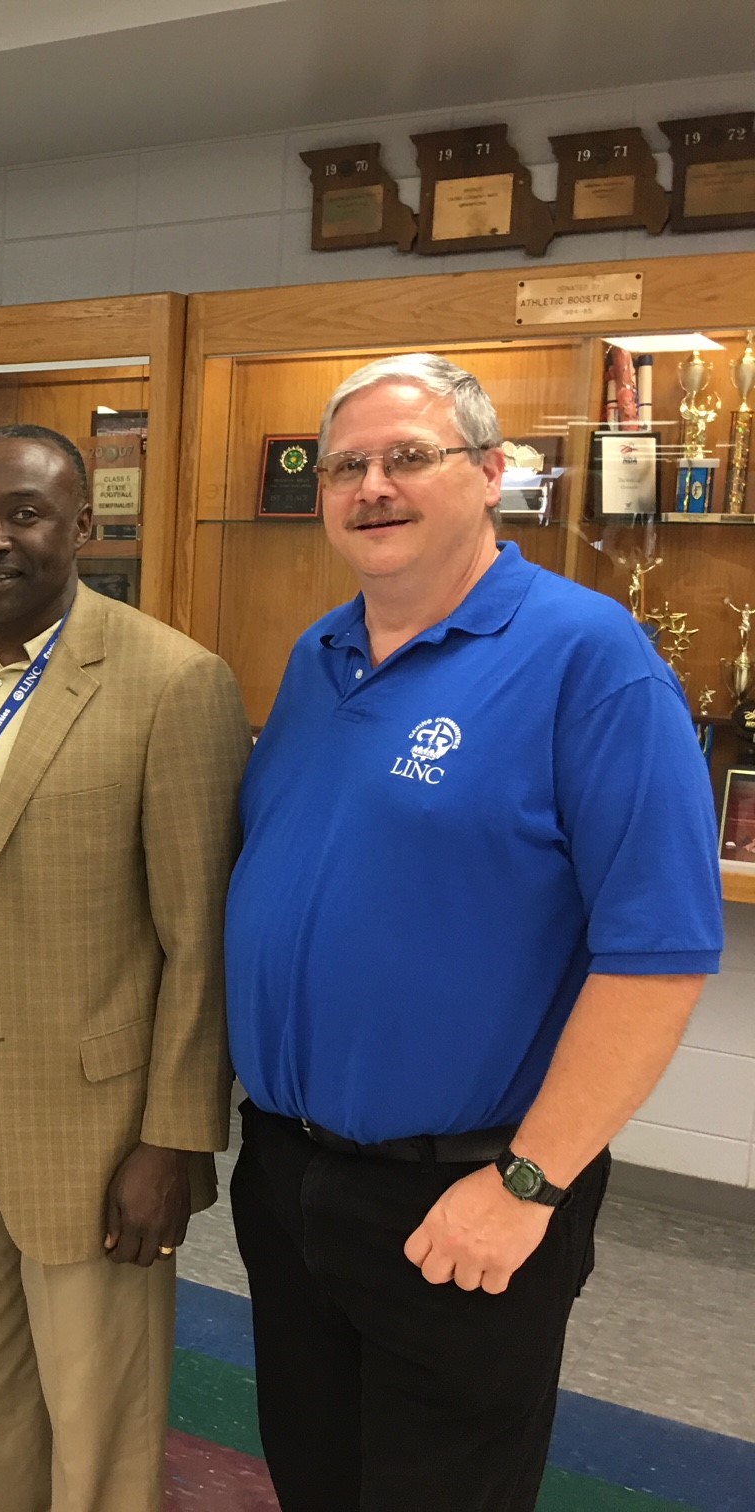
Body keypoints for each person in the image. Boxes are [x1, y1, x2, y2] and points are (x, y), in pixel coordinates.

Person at [226, 354, 723, 1511]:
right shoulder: (321, 654)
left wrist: (528, 1182)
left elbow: (658, 957)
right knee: (316, 1480)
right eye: (346, 466)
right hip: (295, 1176)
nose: (373, 488)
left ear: (492, 473)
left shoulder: (589, 660)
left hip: (462, 1193)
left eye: (411, 457)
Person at [0, 426, 248, 1512]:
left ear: (83, 528)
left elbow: (198, 938)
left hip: (94, 1121)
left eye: (24, 515)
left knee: (99, 1416)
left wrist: (174, 1138)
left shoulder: (173, 681)